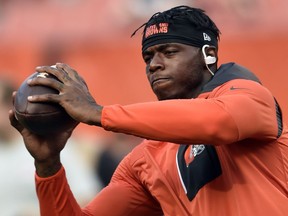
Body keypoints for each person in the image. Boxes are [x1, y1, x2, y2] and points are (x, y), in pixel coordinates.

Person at [9, 5, 288, 216]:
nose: (154, 64)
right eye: (148, 57)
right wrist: (48, 166)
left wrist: (98, 113)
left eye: (169, 52)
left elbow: (218, 122)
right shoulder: (143, 160)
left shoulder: (252, 97)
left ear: (209, 54)